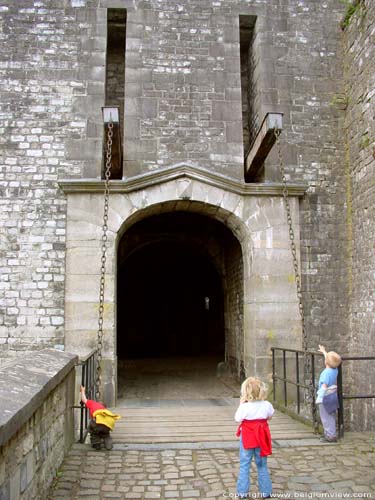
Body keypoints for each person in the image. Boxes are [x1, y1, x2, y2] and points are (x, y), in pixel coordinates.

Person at [235, 376, 274, 499]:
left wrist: (241, 404)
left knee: (244, 465)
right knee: (262, 465)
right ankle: (266, 492)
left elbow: (237, 418)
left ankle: (242, 492)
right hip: (261, 438)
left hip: (248, 438)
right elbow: (270, 415)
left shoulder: (245, 407)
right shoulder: (266, 404)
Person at [80, 385, 120, 450]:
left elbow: (84, 399)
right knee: (106, 434)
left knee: (93, 431)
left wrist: (82, 391)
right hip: (108, 423)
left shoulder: (92, 403)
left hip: (98, 423)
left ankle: (96, 444)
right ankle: (109, 445)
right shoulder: (104, 410)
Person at [316, 344, 342, 443]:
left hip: (325, 397)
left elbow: (324, 386)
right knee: (331, 415)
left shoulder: (326, 373)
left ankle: (330, 435)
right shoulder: (335, 369)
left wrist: (319, 397)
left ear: (326, 362)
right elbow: (329, 360)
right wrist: (324, 351)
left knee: (326, 417)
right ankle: (331, 433)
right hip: (332, 395)